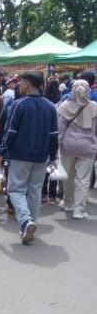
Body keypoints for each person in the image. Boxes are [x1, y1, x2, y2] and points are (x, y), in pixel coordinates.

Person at [0, 70, 58, 244]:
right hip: (41, 156)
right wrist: (53, 156)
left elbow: (10, 131)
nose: (20, 86)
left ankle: (25, 220)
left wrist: (1, 152)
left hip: (19, 154)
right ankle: (30, 224)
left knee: (15, 190)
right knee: (35, 191)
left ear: (28, 84)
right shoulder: (50, 106)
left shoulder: (19, 104)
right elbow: (54, 135)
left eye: (21, 82)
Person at [57, 79, 97, 219]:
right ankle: (79, 210)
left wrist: (56, 148)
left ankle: (68, 203)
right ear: (88, 90)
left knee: (68, 177)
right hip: (88, 147)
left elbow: (60, 131)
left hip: (68, 147)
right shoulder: (94, 107)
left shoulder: (64, 106)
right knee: (83, 180)